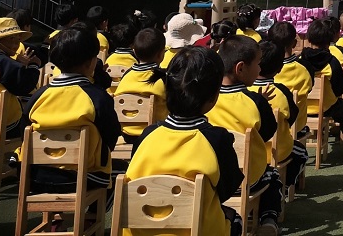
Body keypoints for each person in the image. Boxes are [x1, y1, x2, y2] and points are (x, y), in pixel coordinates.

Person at [126, 46, 244, 236]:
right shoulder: (216, 140)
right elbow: (228, 189)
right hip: (197, 231)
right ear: (214, 96)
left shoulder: (147, 135)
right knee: (234, 219)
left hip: (140, 231)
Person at [24, 26, 121, 206]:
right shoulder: (97, 97)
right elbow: (111, 134)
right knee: (118, 172)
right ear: (91, 62)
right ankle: (92, 216)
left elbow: (26, 127)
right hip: (84, 177)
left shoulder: (39, 96)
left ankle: (56, 216)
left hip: (37, 176)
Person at [208, 36, 282, 235]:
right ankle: (268, 219)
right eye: (257, 63)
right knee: (272, 175)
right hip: (246, 179)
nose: (260, 69)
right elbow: (267, 132)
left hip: (211, 179)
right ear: (240, 68)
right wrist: (262, 102)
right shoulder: (254, 101)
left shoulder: (207, 98)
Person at [301, 19, 343, 159]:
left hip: (302, 106)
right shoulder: (331, 62)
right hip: (326, 106)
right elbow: (340, 88)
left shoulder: (301, 59)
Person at [254, 40, 307, 193]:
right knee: (301, 153)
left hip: (248, 154)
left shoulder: (244, 92)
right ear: (279, 68)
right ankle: (285, 186)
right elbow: (292, 117)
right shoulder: (281, 92)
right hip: (277, 150)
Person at [113, 28, 168, 142]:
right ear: (161, 54)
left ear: (134, 52)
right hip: (155, 134)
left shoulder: (126, 76)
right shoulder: (163, 78)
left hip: (127, 134)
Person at [269, 21, 314, 100]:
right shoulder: (306, 67)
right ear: (294, 43)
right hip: (299, 108)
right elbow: (309, 89)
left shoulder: (266, 67)